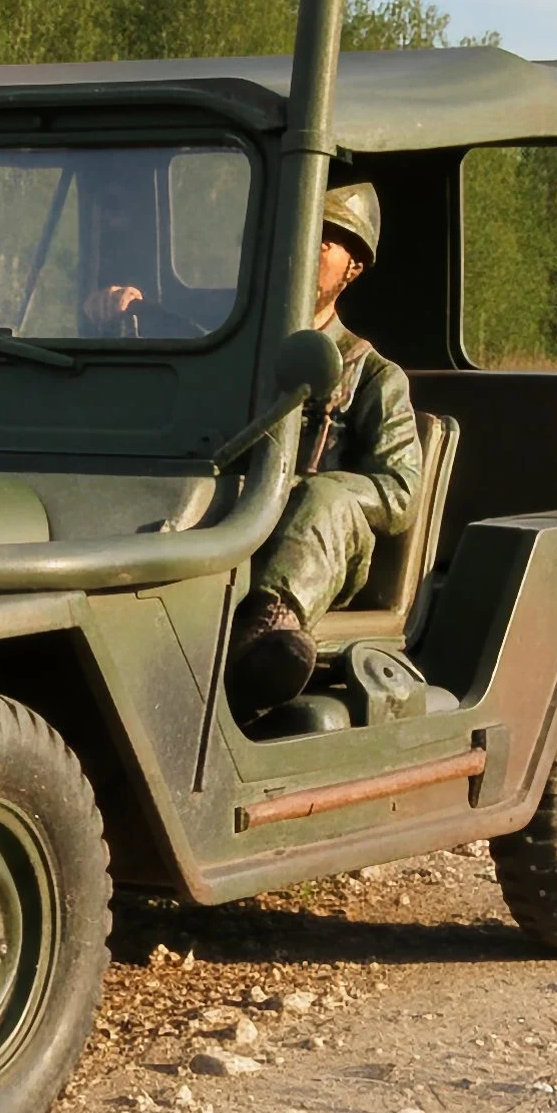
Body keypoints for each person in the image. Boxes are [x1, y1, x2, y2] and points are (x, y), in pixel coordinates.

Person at [222, 181, 421, 725]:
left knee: (325, 497)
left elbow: (400, 492)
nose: (306, 251)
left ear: (352, 267)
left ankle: (266, 635)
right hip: (232, 527)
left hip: (322, 549)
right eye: (299, 237)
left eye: (324, 243)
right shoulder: (229, 351)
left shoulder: (373, 375)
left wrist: (312, 489)